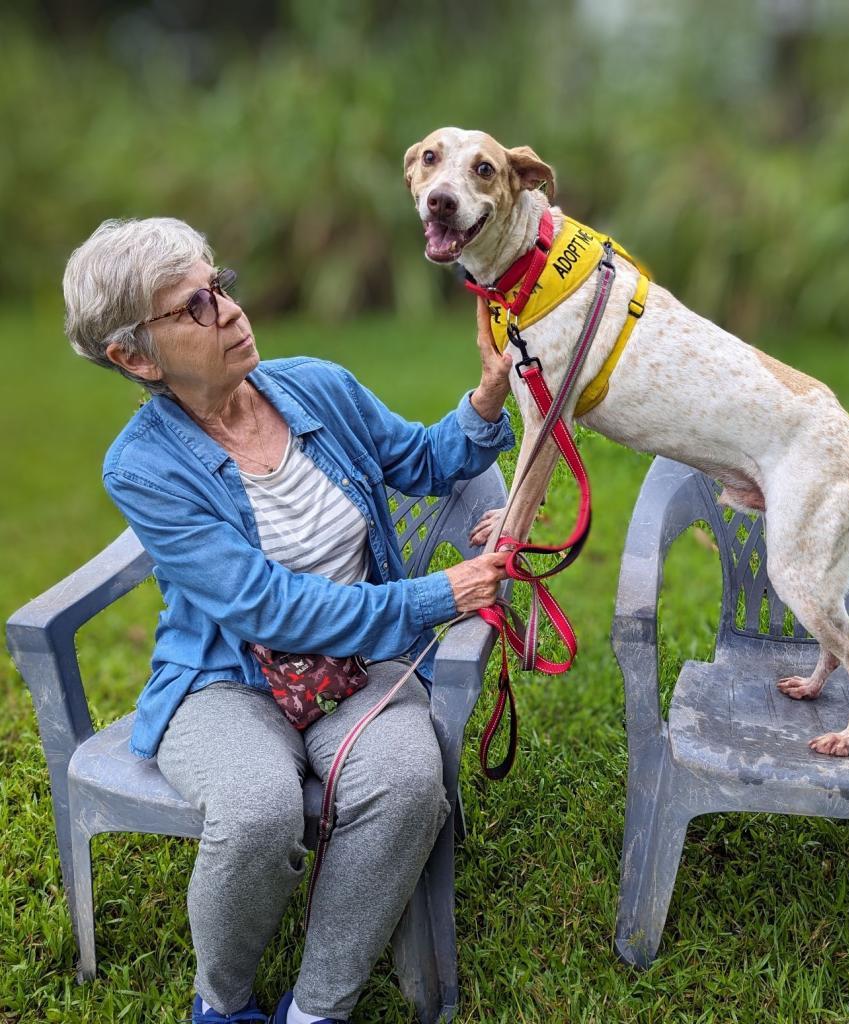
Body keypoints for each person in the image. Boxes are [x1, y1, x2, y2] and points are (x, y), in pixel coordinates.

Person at [62, 217, 515, 1024]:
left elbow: (421, 460)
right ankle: (223, 1005)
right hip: (228, 679)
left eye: (221, 287)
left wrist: (486, 398)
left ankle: (316, 1009)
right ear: (134, 357)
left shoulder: (315, 385)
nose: (230, 311)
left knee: (407, 783)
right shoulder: (142, 466)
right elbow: (266, 606)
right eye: (193, 307)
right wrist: (433, 596)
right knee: (257, 808)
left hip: (362, 665)